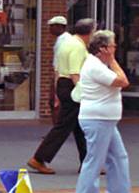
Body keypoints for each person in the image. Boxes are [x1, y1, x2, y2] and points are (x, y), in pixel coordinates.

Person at [73, 30, 132, 193]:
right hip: (97, 119)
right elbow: (123, 81)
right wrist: (113, 60)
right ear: (103, 48)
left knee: (118, 156)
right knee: (95, 158)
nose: (115, 48)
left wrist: (111, 60)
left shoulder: (100, 64)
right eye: (113, 45)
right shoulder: (95, 66)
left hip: (106, 119)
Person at [28, 18, 94, 174]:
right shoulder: (78, 47)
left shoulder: (67, 43)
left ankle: (88, 161)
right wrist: (82, 91)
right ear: (89, 32)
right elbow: (74, 72)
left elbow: (58, 68)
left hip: (64, 84)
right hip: (72, 86)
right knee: (63, 126)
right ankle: (38, 158)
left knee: (79, 126)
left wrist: (58, 89)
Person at [48, 15, 73, 121]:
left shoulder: (64, 40)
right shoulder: (62, 39)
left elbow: (60, 62)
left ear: (59, 26)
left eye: (52, 26)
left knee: (56, 103)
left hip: (62, 75)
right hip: (61, 74)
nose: (50, 29)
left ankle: (58, 128)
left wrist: (56, 78)